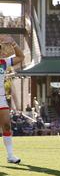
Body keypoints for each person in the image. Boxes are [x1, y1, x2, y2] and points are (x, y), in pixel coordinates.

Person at [0, 35, 24, 163]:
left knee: (7, 126)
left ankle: (10, 156)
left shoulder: (3, 62)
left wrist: (13, 43)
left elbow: (21, 57)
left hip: (1, 99)